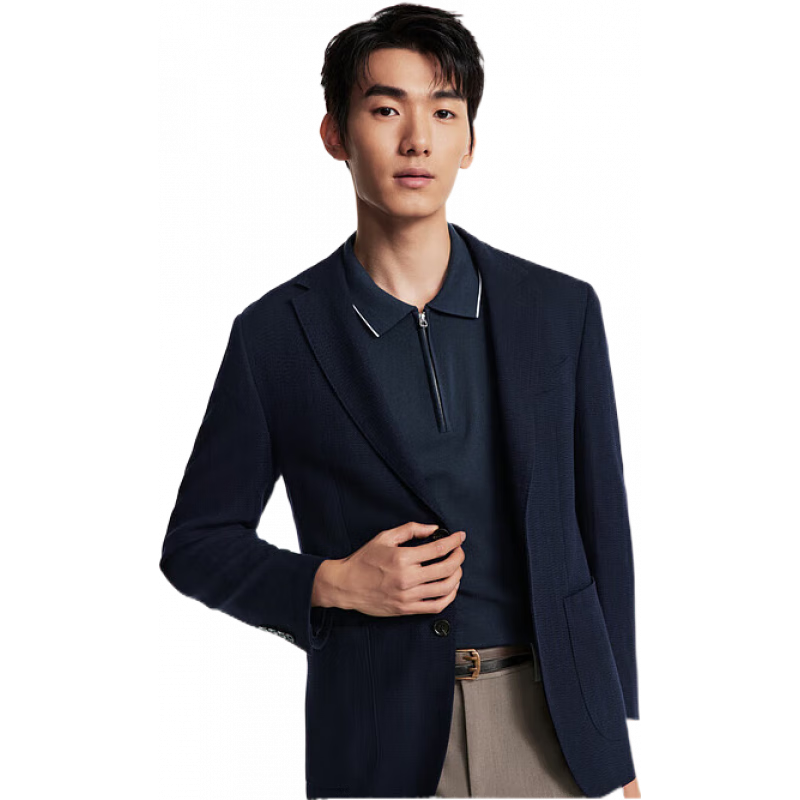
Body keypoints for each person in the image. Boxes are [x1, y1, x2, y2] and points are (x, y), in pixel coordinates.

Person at [159, 2, 641, 798]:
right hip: (379, 734)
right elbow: (196, 544)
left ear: (470, 141)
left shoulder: (560, 312)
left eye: (443, 112)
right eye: (386, 110)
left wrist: (616, 734)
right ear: (335, 135)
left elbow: (604, 533)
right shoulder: (275, 337)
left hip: (555, 727)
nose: (417, 139)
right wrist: (330, 582)